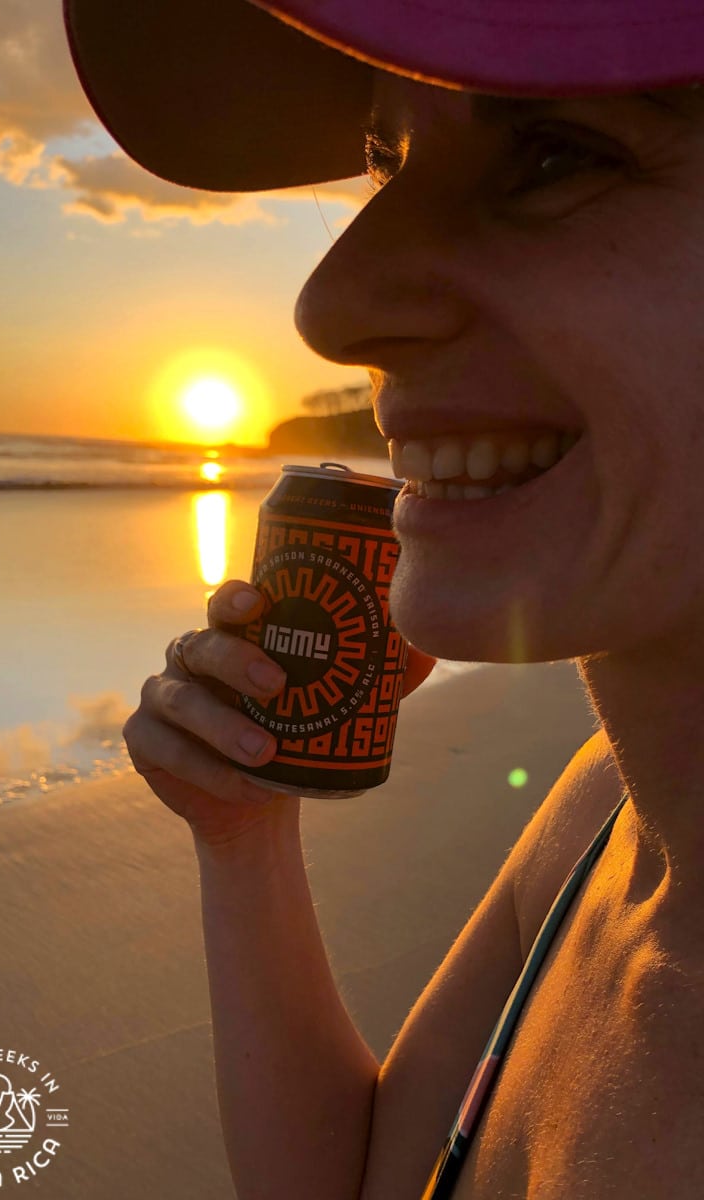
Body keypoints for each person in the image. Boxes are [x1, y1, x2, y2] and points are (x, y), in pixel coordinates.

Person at [65, 3, 704, 1196]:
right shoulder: (603, 821)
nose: (330, 304)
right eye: (383, 160)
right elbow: (358, 1180)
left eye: (556, 152)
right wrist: (242, 838)